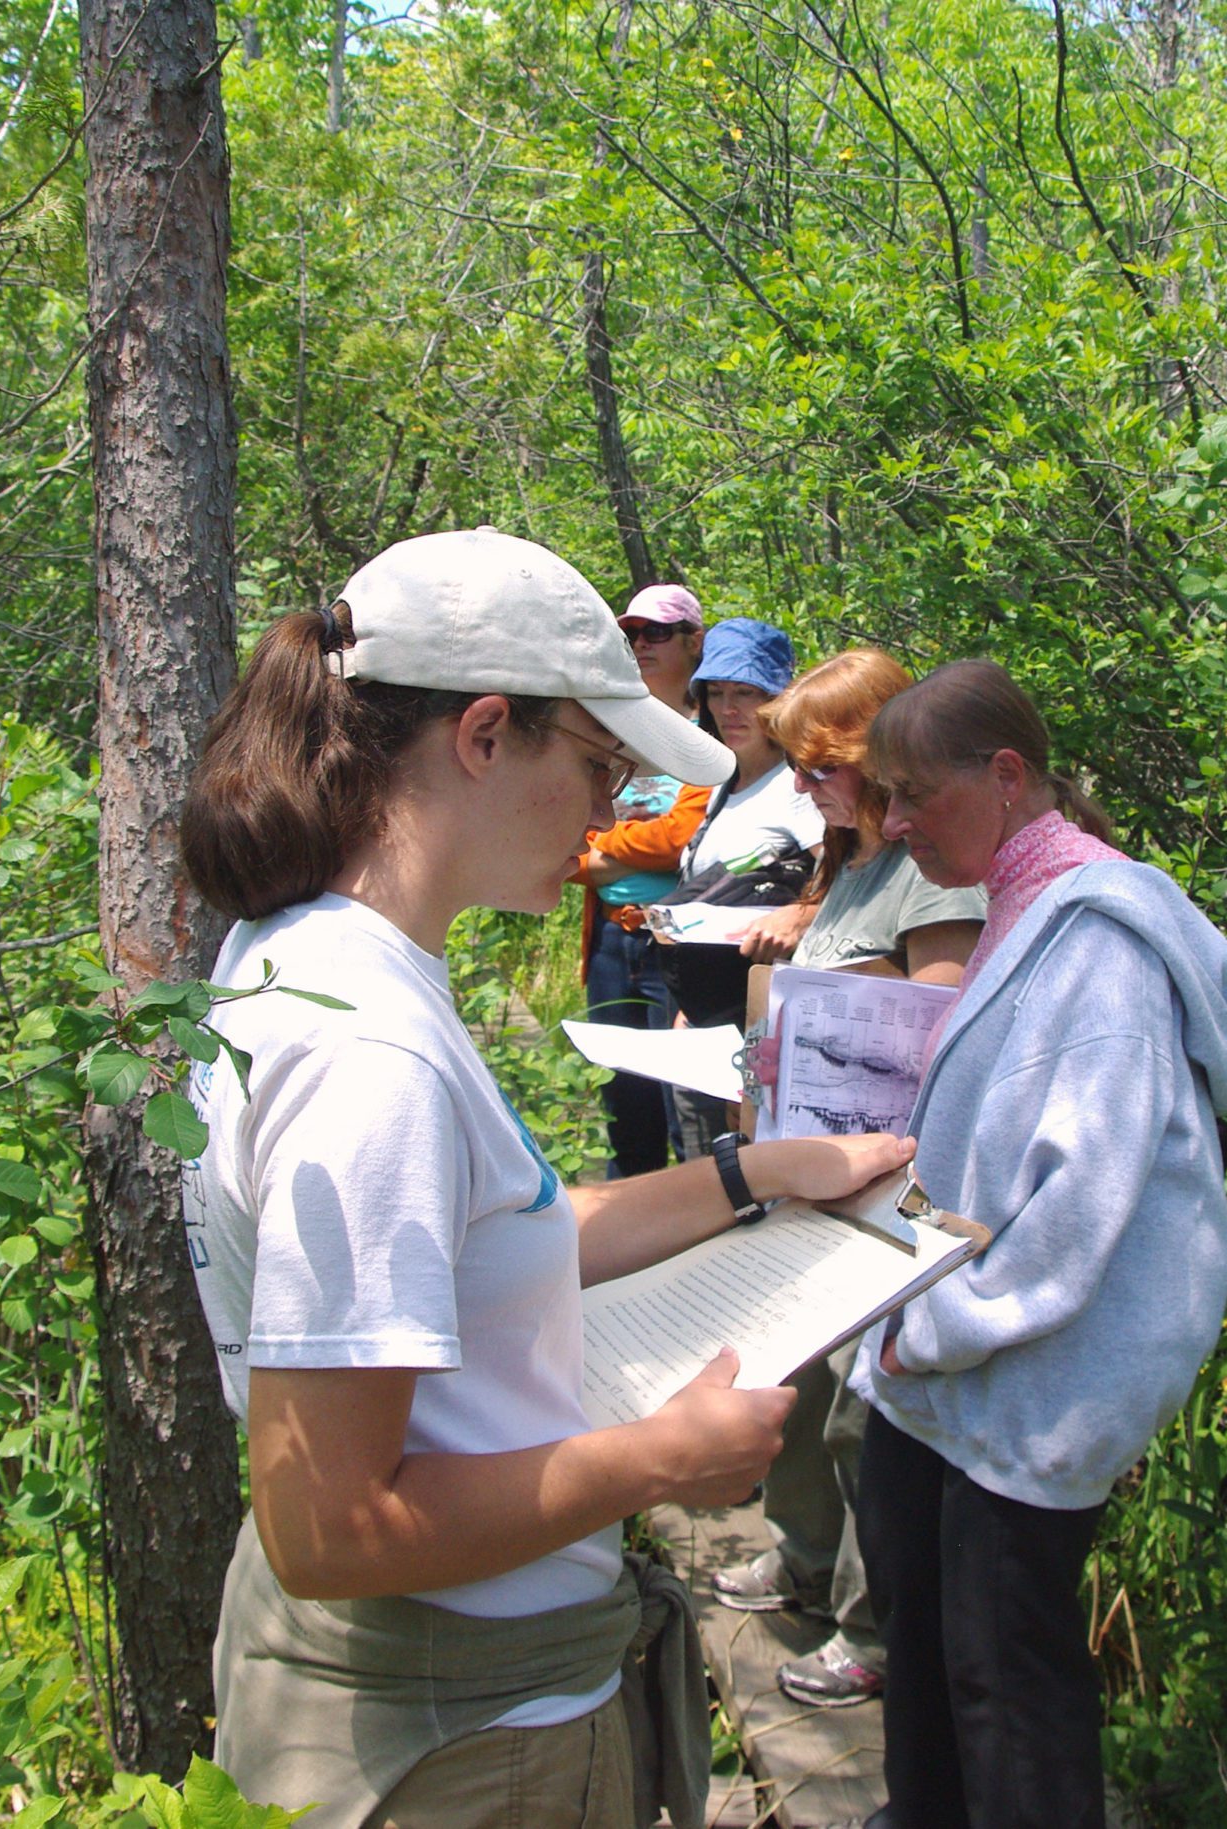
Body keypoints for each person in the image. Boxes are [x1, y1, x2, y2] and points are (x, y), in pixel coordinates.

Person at [173, 528, 912, 1829]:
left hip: (420, 1696)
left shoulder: (305, 952)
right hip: (464, 1738)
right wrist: (654, 1458)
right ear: (483, 734)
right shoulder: (369, 1053)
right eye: (598, 763)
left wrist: (751, 1173)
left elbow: (496, 1231)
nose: (607, 811)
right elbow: (333, 1525)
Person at [845, 660, 1227, 1829]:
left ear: (1008, 773)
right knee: (926, 1636)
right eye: (883, 796)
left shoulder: (1103, 941)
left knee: (1002, 1675)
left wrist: (930, 1327)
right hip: (949, 1356)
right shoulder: (1021, 907)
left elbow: (1083, 1197)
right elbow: (990, 1111)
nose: (894, 824)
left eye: (915, 793)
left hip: (1022, 1365)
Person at [707, 649, 988, 1711]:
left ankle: (870, 1624)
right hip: (808, 1164)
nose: (801, 788)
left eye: (819, 768)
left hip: (885, 1181)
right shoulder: (851, 867)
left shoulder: (923, 873)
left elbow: (939, 1020)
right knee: (798, 1374)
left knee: (860, 1414)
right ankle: (804, 1563)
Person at [658, 616, 823, 1159]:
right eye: (717, 692)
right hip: (707, 1013)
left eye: (746, 693)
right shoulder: (722, 783)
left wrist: (797, 917)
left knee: (739, 1170)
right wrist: (691, 1004)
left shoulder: (796, 788)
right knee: (697, 1160)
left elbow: (837, 881)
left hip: (760, 1018)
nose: (729, 710)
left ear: (777, 699)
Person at [573, 583, 710, 1177]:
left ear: (692, 641)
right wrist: (612, 854)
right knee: (622, 1104)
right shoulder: (608, 727)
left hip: (679, 943)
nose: (640, 644)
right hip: (610, 941)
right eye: (630, 634)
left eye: (656, 632)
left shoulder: (714, 731)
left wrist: (607, 851)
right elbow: (570, 836)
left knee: (683, 1104)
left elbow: (685, 836)